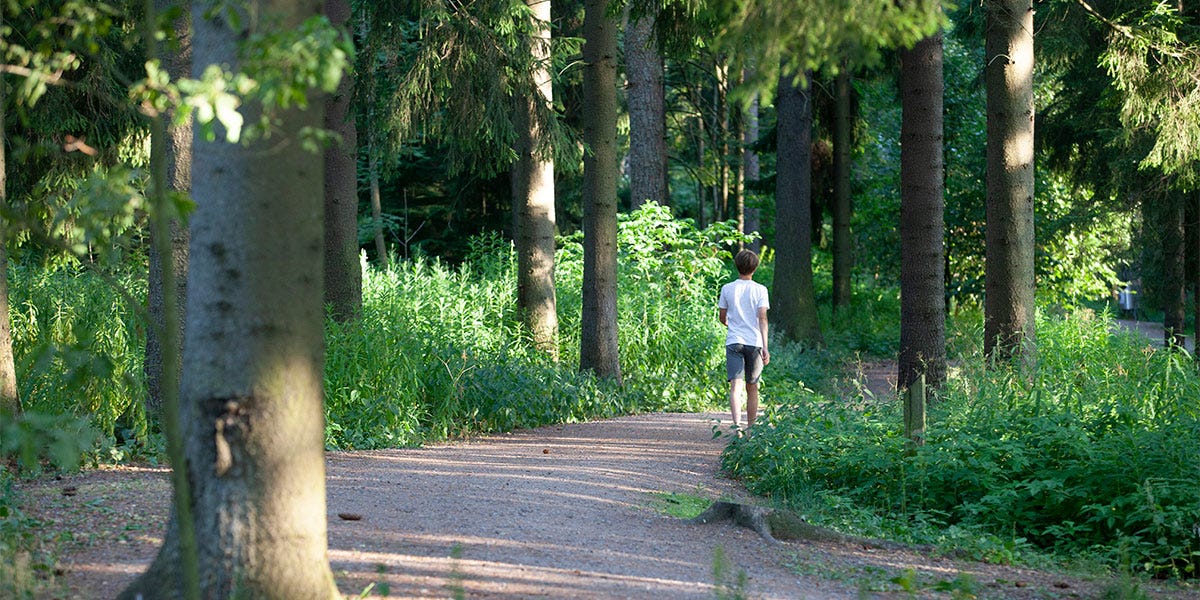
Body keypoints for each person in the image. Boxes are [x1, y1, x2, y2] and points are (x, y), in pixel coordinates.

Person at [717, 249, 769, 434]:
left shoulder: (727, 288)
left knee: (735, 386)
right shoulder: (761, 290)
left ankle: (736, 427)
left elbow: (722, 317)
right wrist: (766, 347)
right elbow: (762, 318)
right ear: (755, 268)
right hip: (754, 342)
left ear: (737, 266)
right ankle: (751, 428)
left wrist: (730, 324)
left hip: (734, 341)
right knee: (752, 386)